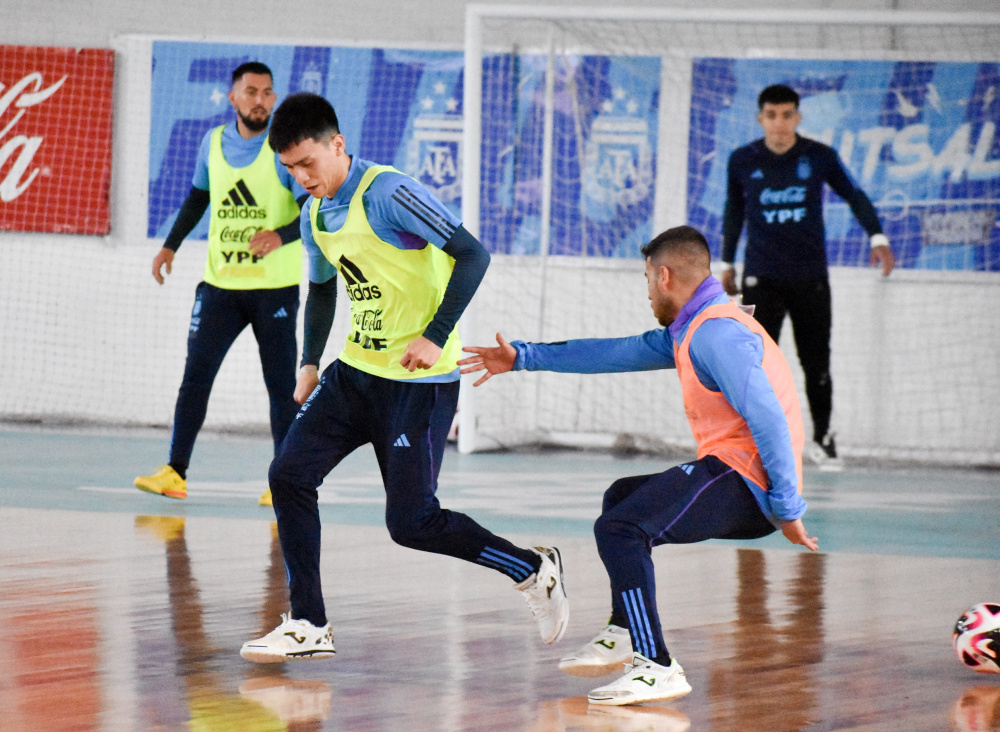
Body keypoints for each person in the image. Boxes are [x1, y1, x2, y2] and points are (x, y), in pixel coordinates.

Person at [238, 92, 569, 663]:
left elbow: (473, 255)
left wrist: (436, 334)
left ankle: (532, 570)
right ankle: (308, 621)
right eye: (288, 168)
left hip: (419, 384)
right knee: (289, 474)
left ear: (337, 145)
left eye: (307, 163)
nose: (301, 177)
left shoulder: (388, 192)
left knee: (412, 523)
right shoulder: (315, 213)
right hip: (355, 375)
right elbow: (319, 289)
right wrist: (310, 361)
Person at [458, 225, 819, 707]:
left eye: (647, 279)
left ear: (665, 276)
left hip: (749, 483)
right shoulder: (695, 325)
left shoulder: (716, 332)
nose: (647, 292)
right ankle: (627, 630)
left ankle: (656, 664)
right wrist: (522, 356)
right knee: (622, 498)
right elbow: (615, 352)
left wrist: (788, 507)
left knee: (620, 528)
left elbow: (769, 416)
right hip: (738, 475)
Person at [135, 62, 308, 506]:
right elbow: (198, 197)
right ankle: (175, 471)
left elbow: (312, 210)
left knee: (279, 385)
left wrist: (280, 235)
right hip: (220, 287)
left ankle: (284, 481)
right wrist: (169, 246)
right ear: (233, 97)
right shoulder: (212, 143)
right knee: (195, 378)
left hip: (275, 289)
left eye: (268, 92)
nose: (260, 100)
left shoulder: (284, 150)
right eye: (251, 91)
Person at [720, 83, 895, 466]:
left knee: (816, 361)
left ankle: (824, 440)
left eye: (787, 115)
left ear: (797, 117)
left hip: (810, 277)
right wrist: (726, 263)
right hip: (760, 278)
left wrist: (877, 236)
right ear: (760, 118)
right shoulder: (742, 159)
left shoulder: (819, 156)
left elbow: (854, 194)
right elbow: (733, 209)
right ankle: (752, 443)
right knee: (755, 360)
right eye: (771, 115)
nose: (779, 123)